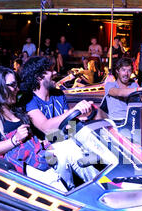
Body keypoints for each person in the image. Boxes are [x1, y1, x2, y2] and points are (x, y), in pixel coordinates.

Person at [0, 66, 67, 192]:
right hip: (18, 163)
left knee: (67, 155)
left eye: (17, 85)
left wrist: (42, 143)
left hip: (35, 153)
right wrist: (15, 139)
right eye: (12, 85)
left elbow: (31, 136)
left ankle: (86, 191)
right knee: (53, 177)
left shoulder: (14, 108)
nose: (17, 89)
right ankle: (65, 198)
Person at [19, 56, 99, 189]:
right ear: (39, 77)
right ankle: (73, 193)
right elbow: (45, 127)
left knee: (89, 140)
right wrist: (73, 111)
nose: (55, 73)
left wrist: (83, 116)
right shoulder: (29, 100)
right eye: (50, 70)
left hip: (64, 140)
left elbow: (67, 124)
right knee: (65, 150)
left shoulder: (58, 94)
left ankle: (106, 180)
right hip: (44, 153)